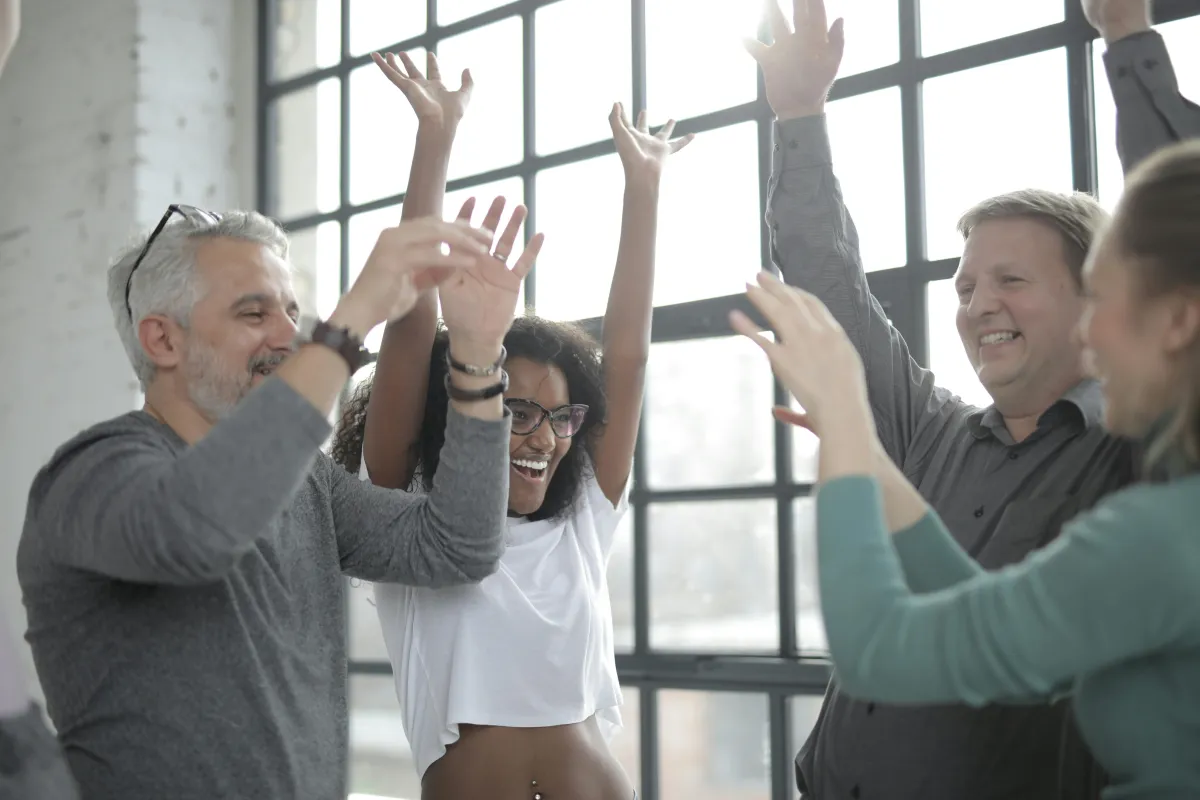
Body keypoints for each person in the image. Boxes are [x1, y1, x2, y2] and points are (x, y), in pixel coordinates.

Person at [745, 0, 1200, 796]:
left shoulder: (1139, 465)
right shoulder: (928, 430)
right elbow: (834, 286)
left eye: (1011, 281)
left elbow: (1188, 242)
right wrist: (799, 117)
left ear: (1096, 298)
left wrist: (1129, 43)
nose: (977, 304)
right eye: (963, 287)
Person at [17, 199, 518, 798]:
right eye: (253, 313)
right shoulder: (92, 473)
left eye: (293, 312)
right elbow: (198, 529)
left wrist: (478, 356)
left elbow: (458, 546)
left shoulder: (307, 481)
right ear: (163, 340)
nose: (289, 337)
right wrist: (351, 323)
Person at [329, 51, 691, 800]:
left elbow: (627, 355)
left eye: (561, 418)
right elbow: (410, 325)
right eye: (517, 411)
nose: (545, 438)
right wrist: (435, 139)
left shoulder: (583, 519)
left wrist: (645, 187)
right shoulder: (412, 521)